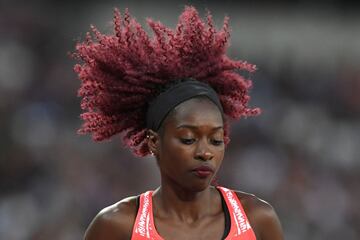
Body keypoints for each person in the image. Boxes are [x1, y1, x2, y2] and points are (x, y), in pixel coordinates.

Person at [73, 6, 284, 240]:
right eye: (188, 139)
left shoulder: (257, 219)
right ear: (154, 141)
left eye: (216, 140)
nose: (205, 153)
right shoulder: (116, 226)